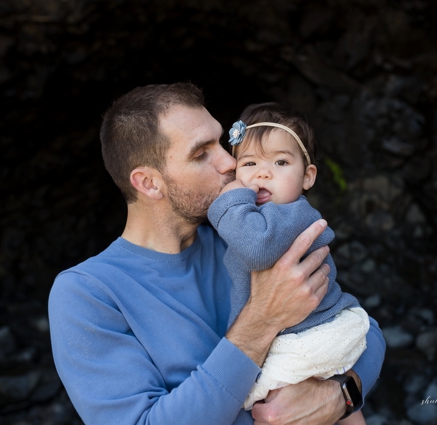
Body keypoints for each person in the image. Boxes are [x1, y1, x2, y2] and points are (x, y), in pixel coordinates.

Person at [49, 83, 384, 425]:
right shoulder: (87, 293)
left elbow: (361, 327)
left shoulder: (247, 236)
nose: (229, 162)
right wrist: (261, 322)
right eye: (201, 153)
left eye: (222, 143)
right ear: (149, 183)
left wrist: (340, 395)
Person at [208, 103, 369, 425]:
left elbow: (256, 249)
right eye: (249, 162)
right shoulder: (256, 216)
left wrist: (227, 199)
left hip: (311, 333)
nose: (263, 173)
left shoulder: (295, 213)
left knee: (262, 403)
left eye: (281, 162)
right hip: (298, 334)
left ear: (308, 177)